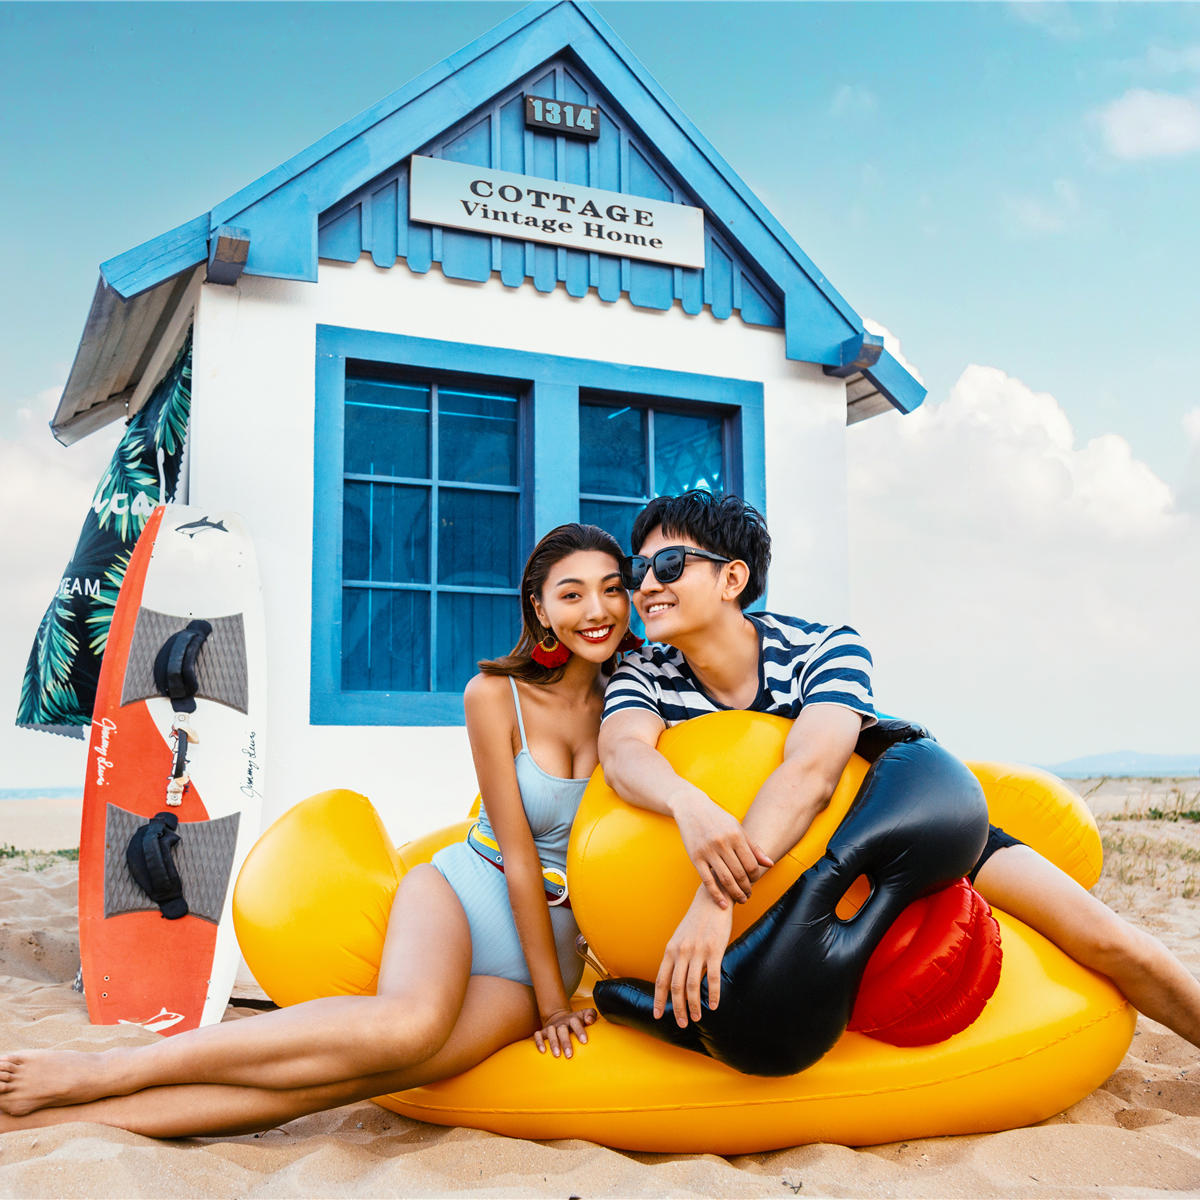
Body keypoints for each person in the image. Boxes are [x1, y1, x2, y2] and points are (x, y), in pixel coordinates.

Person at [0, 523, 632, 1138]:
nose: (596, 610)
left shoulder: (633, 704)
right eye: (571, 593)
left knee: (339, 1084)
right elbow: (520, 858)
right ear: (540, 609)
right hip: (463, 893)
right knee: (408, 1028)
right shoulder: (495, 694)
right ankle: (109, 1068)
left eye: (611, 589)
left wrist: (551, 992)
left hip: (542, 947)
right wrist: (555, 1007)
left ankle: (64, 1119)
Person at [597, 489, 1200, 1052]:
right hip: (778, 885)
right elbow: (624, 754)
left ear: (732, 578)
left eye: (669, 565)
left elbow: (812, 771)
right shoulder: (646, 673)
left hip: (893, 838)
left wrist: (716, 898)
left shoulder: (824, 647)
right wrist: (689, 805)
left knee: (1107, 939)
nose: (646, 584)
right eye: (638, 568)